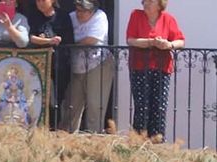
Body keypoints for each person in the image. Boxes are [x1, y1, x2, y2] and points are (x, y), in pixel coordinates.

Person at [125, 0, 184, 139]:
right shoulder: (136, 15)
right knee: (142, 107)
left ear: (159, 4)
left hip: (161, 68)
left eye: (150, 1)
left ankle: (157, 142)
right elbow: (130, 40)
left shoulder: (168, 19)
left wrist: (168, 44)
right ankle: (138, 142)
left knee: (159, 108)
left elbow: (180, 41)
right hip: (139, 67)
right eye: (145, 1)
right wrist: (151, 42)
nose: (146, 3)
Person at [61, 0, 114, 133]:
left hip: (98, 64)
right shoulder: (71, 17)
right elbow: (64, 37)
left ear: (92, 11)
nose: (79, 14)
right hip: (76, 66)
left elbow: (91, 39)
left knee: (95, 105)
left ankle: (93, 137)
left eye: (83, 11)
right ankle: (67, 138)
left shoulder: (100, 16)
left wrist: (72, 41)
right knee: (71, 105)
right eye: (78, 10)